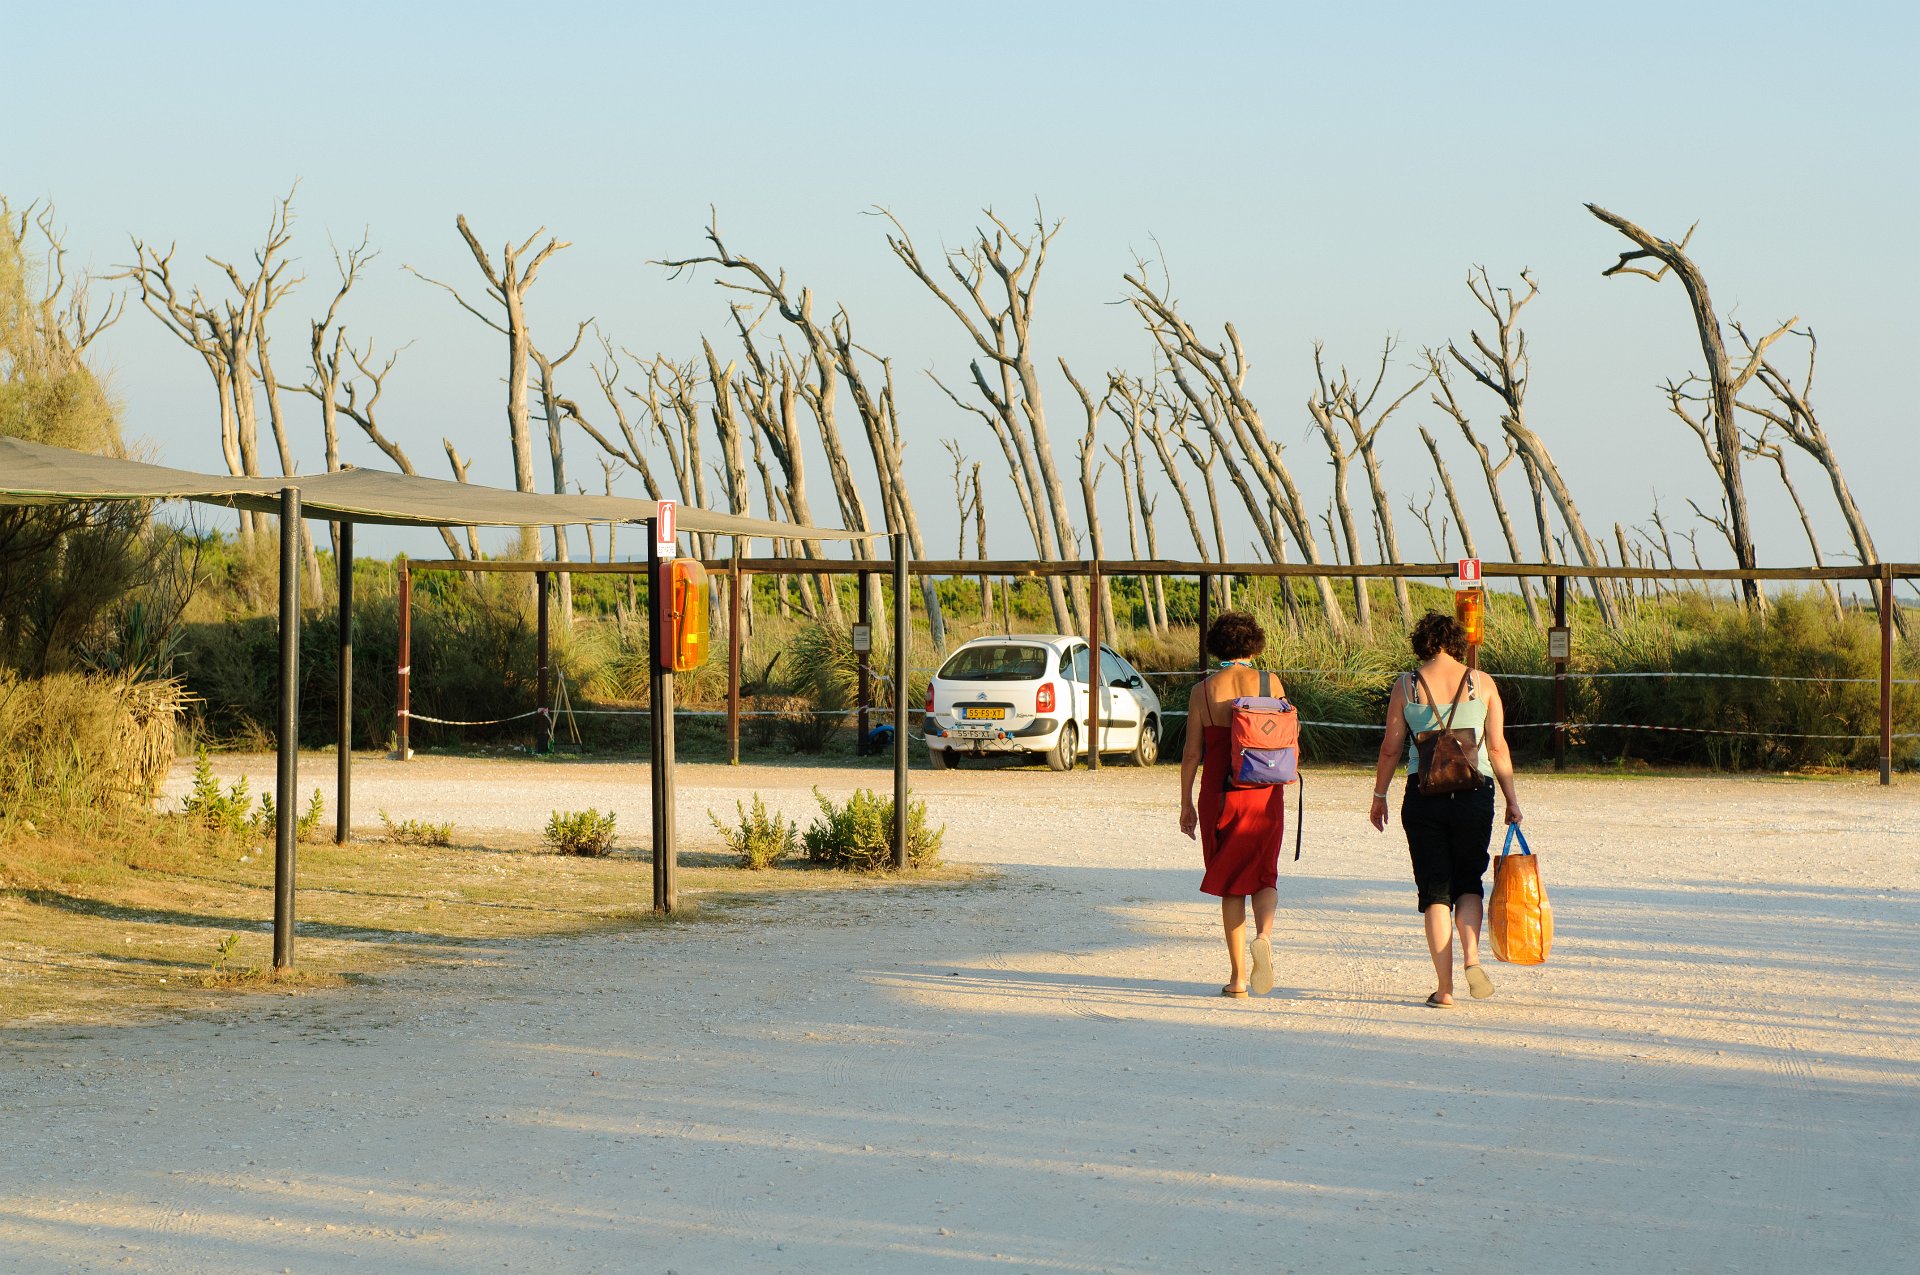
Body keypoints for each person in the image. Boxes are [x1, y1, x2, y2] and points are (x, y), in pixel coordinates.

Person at [1368, 610, 1522, 1008]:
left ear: (1421, 643)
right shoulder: (1482, 683)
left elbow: (1390, 748)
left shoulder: (1407, 685)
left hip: (1425, 794)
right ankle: (1472, 958)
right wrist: (1511, 799)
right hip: (1475, 793)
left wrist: (1380, 795)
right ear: (1456, 642)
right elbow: (1498, 747)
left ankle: (1445, 988)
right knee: (1468, 881)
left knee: (1435, 890)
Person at [1180, 611, 1290, 998]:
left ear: (1217, 646)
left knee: (1231, 884)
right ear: (1253, 645)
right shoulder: (1271, 683)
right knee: (1264, 875)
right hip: (1265, 791)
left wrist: (1186, 803)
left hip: (1220, 793)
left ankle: (1239, 978)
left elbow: (1192, 754)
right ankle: (1265, 937)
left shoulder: (1203, 691)